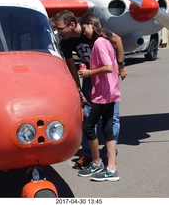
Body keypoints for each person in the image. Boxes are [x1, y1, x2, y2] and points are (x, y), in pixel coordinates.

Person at [51, 10, 127, 168]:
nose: (58, 32)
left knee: (112, 118)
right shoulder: (65, 42)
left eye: (60, 29)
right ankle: (89, 154)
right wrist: (79, 92)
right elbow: (72, 68)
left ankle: (107, 155)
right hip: (89, 81)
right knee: (87, 118)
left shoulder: (94, 31)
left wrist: (121, 65)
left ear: (72, 25)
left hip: (106, 80)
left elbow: (118, 41)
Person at [77, 12, 121, 181]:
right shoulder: (107, 41)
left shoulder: (99, 43)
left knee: (89, 127)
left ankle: (96, 162)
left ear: (91, 24)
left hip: (103, 93)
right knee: (107, 130)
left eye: (85, 28)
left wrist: (89, 72)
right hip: (112, 92)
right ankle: (111, 169)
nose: (84, 32)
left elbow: (109, 67)